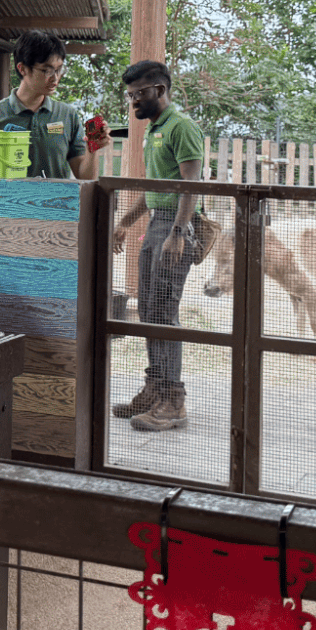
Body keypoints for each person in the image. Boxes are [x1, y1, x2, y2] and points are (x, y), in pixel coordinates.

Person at [109, 61, 206, 433]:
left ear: (161, 90)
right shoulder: (154, 131)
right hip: (155, 225)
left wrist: (179, 233)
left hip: (173, 227)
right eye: (130, 94)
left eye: (140, 94)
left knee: (165, 311)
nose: (133, 100)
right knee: (148, 310)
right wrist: (125, 222)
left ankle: (174, 400)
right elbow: (154, 185)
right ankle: (154, 387)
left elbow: (191, 183)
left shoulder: (181, 127)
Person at [0, 31, 102, 180]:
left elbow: (85, 178)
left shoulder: (68, 115)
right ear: (22, 68)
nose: (55, 78)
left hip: (56, 203)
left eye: (59, 70)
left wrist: (93, 147)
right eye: (46, 70)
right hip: (5, 203)